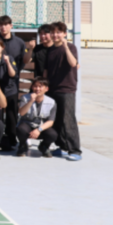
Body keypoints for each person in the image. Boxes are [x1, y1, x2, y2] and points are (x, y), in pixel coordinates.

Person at [45, 22, 82, 161]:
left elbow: (73, 63)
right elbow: (47, 70)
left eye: (58, 32)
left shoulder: (71, 47)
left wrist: (65, 46)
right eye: (53, 32)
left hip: (66, 88)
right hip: (52, 88)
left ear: (65, 34)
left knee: (68, 119)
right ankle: (62, 146)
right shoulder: (50, 50)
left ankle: (75, 150)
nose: (55, 35)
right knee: (57, 120)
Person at [16, 78, 58, 157]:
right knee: (20, 129)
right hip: (27, 125)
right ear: (32, 87)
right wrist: (31, 101)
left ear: (46, 89)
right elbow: (21, 113)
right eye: (35, 86)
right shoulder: (25, 98)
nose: (37, 89)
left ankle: (44, 146)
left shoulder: (51, 102)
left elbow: (51, 121)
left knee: (53, 134)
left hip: (41, 127)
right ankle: (23, 145)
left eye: (40, 86)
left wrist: (39, 130)